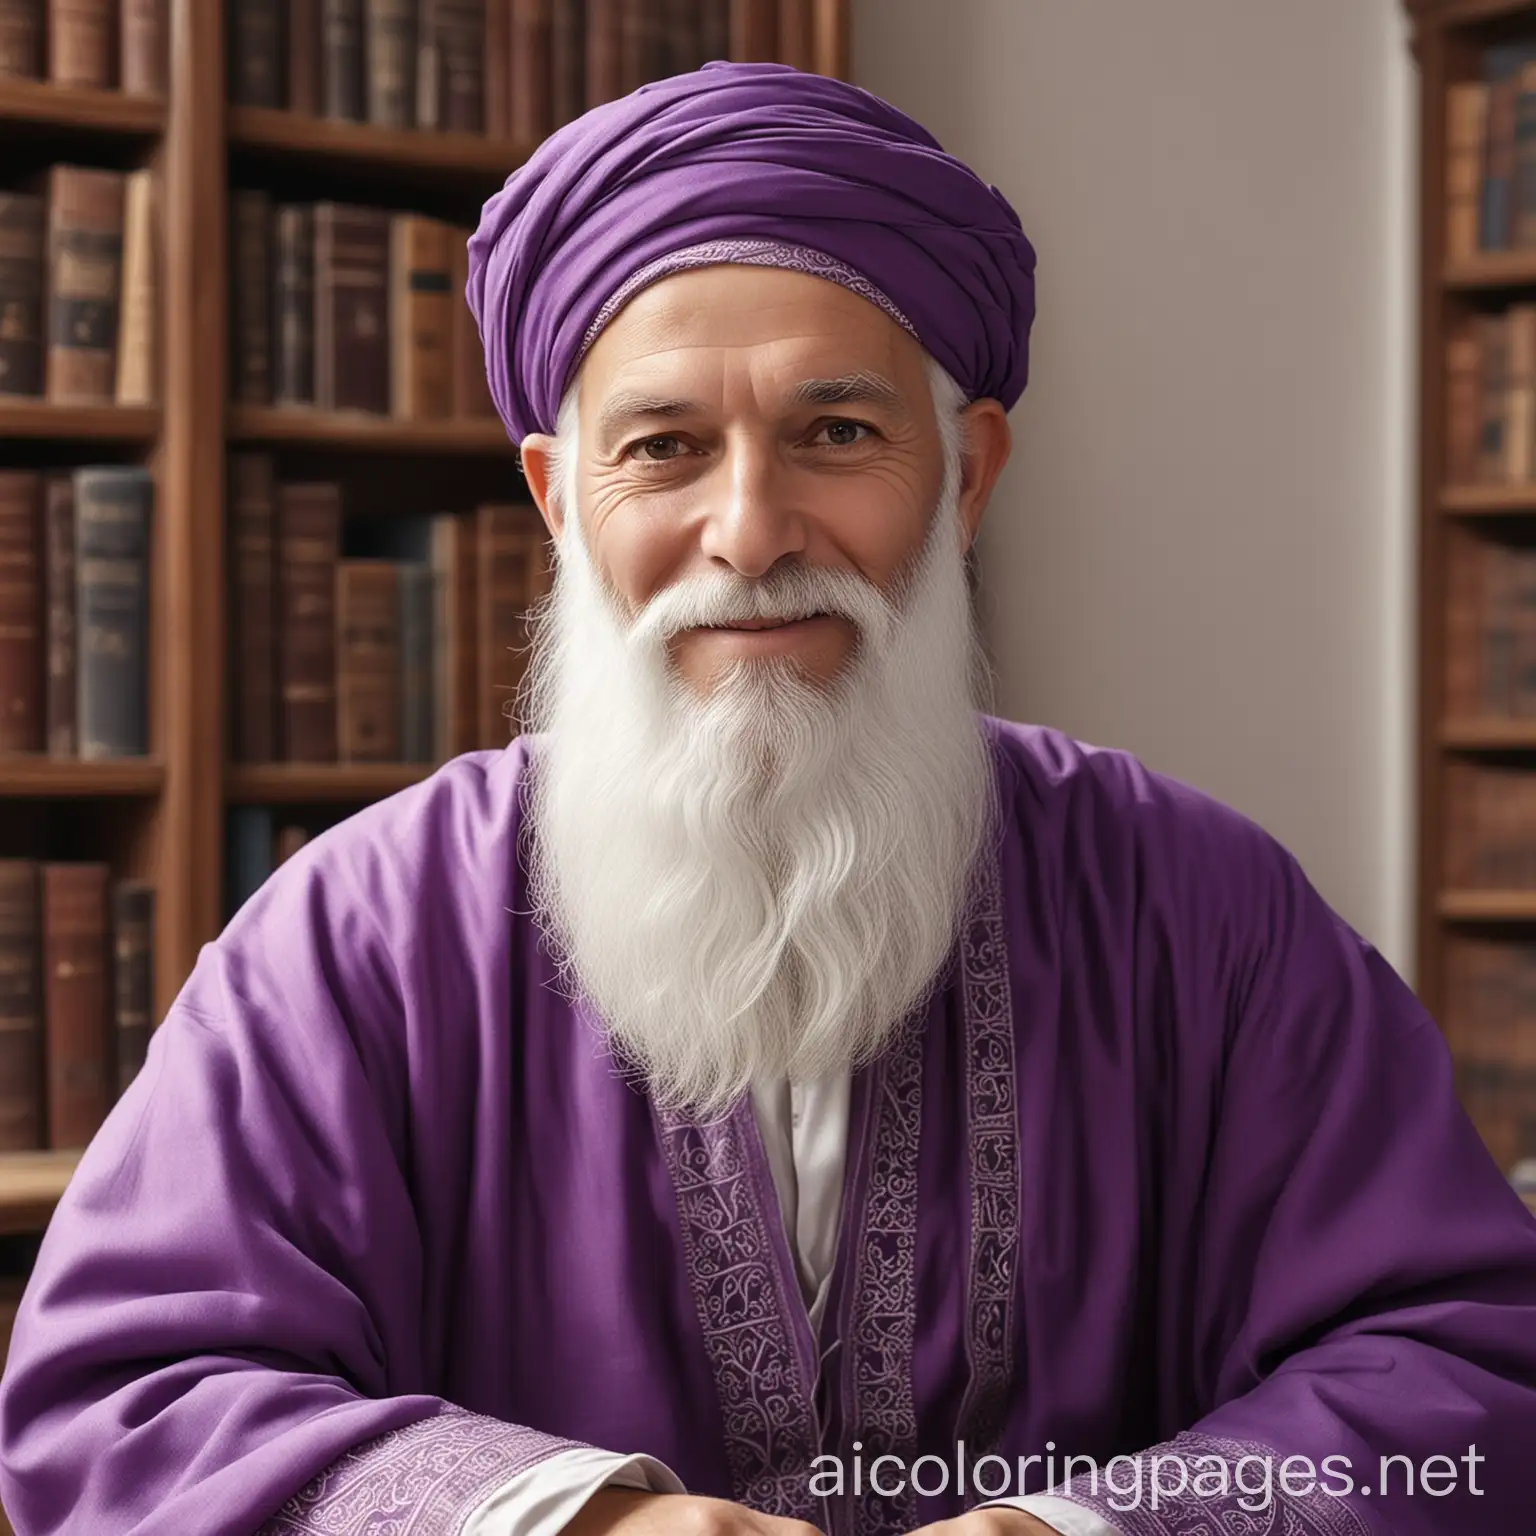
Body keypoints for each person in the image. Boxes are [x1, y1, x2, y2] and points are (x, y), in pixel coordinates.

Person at [1, 58, 1534, 1536]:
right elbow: (122, 1407)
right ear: (556, 498)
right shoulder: (360, 934)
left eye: (839, 434)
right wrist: (560, 1524)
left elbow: (1469, 1367)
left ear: (967, 471)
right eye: (664, 448)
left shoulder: (1193, 904)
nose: (748, 530)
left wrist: (1088, 1529)